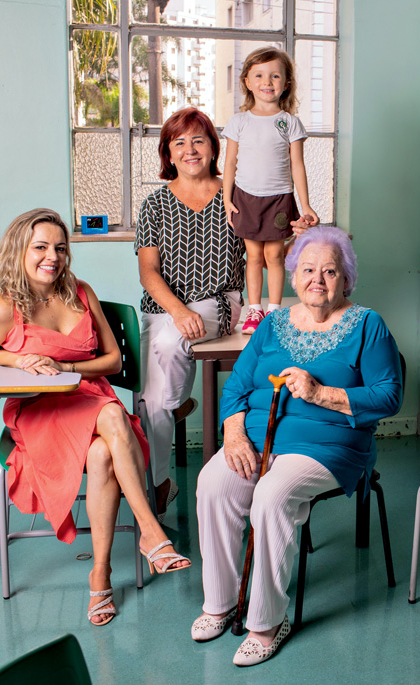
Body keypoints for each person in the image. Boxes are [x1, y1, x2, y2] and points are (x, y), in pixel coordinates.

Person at [191, 225, 402, 667]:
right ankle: (221, 601)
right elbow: (237, 388)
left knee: (272, 494)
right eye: (308, 270)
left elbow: (389, 395)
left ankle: (268, 622)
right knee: (213, 482)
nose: (318, 280)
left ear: (346, 279)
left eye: (330, 271)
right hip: (259, 437)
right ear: (292, 276)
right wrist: (233, 433)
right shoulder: (272, 324)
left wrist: (321, 393)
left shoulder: (368, 325)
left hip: (330, 446)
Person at [0, 208, 190, 627]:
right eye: (40, 247)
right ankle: (151, 533)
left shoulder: (79, 292)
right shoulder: (1, 309)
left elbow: (111, 361)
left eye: (59, 247)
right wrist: (19, 359)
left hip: (88, 394)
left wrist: (69, 369)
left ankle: (101, 574)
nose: (51, 256)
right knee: (112, 417)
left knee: (103, 451)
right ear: (19, 250)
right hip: (40, 408)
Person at [135, 107, 247, 520]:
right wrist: (178, 309)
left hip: (219, 302)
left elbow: (266, 249)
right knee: (150, 402)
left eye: (198, 139)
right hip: (164, 306)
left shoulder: (235, 193)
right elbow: (148, 273)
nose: (190, 149)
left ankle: (175, 408)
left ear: (213, 146)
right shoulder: (154, 205)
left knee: (167, 351)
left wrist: (297, 232)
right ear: (168, 151)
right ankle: (162, 480)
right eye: (179, 142)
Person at [221, 46, 319, 335]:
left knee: (275, 257)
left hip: (279, 199)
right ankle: (255, 311)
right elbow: (229, 165)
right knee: (252, 257)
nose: (267, 82)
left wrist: (306, 205)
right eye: (260, 75)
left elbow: (297, 166)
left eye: (275, 76)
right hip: (246, 198)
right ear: (247, 82)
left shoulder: (289, 123)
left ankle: (274, 312)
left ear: (286, 83)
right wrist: (227, 200)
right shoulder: (239, 122)